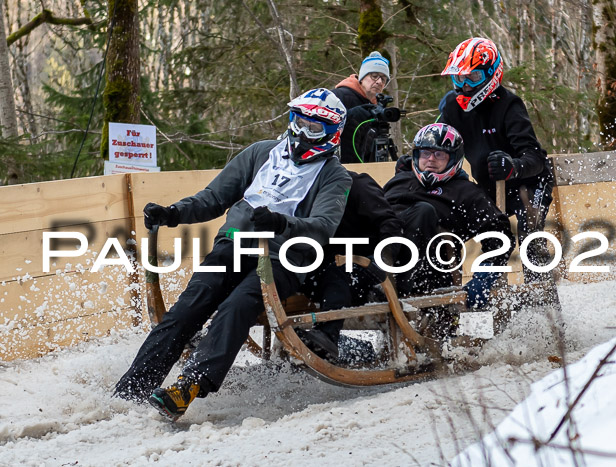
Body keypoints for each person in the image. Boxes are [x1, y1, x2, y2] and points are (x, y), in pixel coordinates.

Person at [114, 88, 352, 421]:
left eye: (313, 128)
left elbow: (323, 226)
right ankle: (132, 388)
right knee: (191, 305)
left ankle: (190, 384)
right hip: (235, 242)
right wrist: (173, 213)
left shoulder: (334, 175)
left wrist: (281, 222)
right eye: (298, 122)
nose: (301, 134)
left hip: (285, 257)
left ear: (331, 133)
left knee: (239, 304)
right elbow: (213, 196)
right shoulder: (261, 153)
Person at [438, 37, 554, 283]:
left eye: (473, 77)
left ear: (492, 74)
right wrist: (415, 159)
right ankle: (467, 292)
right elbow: (439, 141)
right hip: (489, 184)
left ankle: (542, 297)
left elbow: (535, 157)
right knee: (458, 226)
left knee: (529, 233)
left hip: (529, 182)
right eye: (459, 78)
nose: (466, 86)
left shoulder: (509, 105)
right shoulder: (452, 106)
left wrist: (513, 166)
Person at [384, 123, 514, 328]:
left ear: (453, 159)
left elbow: (500, 237)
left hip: (428, 273)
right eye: (425, 153)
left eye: (439, 155)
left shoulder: (466, 192)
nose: (431, 160)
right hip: (383, 256)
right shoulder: (400, 181)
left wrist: (486, 274)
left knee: (423, 211)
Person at [299, 170, 402, 360]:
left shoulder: (356, 184)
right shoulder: (295, 187)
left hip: (363, 266)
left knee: (338, 270)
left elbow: (390, 224)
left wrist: (382, 262)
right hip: (315, 264)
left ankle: (328, 335)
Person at [332, 51, 392, 163]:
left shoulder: (377, 108)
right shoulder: (340, 96)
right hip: (337, 166)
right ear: (362, 77)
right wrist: (349, 116)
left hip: (364, 169)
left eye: (383, 79)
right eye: (374, 76)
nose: (379, 82)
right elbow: (317, 125)